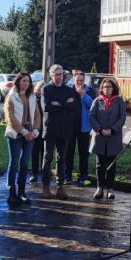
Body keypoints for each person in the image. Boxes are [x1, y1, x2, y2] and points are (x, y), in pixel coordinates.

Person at [3, 71, 41, 205]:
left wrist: (35, 130)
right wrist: (24, 132)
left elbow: (37, 114)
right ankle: (11, 192)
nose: (26, 83)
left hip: (30, 134)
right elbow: (10, 118)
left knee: (25, 163)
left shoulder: (31, 96)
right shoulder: (11, 96)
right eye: (24, 80)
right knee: (14, 163)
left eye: (28, 81)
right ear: (18, 81)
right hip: (16, 133)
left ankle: (21, 191)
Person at [41, 64, 78, 200]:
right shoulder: (46, 89)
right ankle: (45, 186)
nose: (60, 77)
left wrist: (59, 104)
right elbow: (46, 107)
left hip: (65, 129)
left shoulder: (68, 90)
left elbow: (73, 106)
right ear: (51, 75)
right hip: (51, 128)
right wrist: (64, 105)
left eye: (61, 74)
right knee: (48, 158)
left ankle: (60, 186)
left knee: (61, 158)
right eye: (57, 74)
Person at [88, 77, 126, 200]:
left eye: (109, 87)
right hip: (100, 137)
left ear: (113, 88)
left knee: (111, 164)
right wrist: (100, 129)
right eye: (104, 87)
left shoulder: (119, 101)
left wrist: (113, 129)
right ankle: (99, 188)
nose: (107, 89)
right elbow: (92, 117)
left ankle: (110, 188)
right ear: (101, 88)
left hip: (113, 137)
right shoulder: (97, 101)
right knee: (100, 164)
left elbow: (122, 117)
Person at [65, 71, 95, 186]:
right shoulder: (68, 90)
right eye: (77, 80)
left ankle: (84, 176)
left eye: (81, 80)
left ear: (84, 81)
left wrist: (83, 95)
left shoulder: (89, 91)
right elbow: (65, 106)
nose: (79, 82)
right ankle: (67, 175)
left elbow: (93, 106)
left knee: (84, 153)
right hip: (70, 127)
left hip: (84, 128)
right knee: (69, 152)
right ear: (74, 80)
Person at [29, 80, 45, 183]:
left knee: (44, 153)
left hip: (44, 130)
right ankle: (34, 174)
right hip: (34, 129)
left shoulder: (46, 99)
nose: (37, 91)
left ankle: (44, 173)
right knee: (34, 152)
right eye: (36, 89)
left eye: (40, 89)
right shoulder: (31, 99)